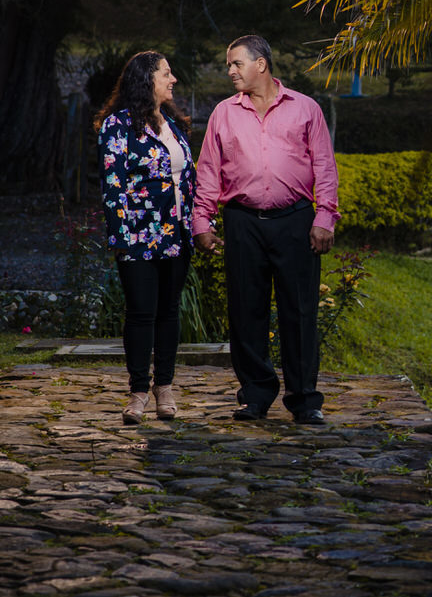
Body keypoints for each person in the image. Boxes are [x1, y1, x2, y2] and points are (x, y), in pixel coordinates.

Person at [192, 35, 339, 424]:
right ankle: (255, 396)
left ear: (261, 65)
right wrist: (202, 221)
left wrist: (325, 218)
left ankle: (305, 400)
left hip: (295, 221)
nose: (230, 71)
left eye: (236, 63)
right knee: (246, 310)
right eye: (229, 64)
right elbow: (208, 171)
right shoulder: (224, 113)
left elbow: (325, 167)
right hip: (242, 221)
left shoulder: (305, 109)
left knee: (300, 311)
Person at [95, 50, 195, 424]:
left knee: (169, 311)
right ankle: (138, 392)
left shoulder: (174, 125)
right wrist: (121, 236)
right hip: (137, 236)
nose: (173, 80)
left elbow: (189, 180)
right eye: (166, 73)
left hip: (177, 234)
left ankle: (164, 388)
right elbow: (113, 183)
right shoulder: (117, 125)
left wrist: (201, 224)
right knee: (141, 312)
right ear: (146, 79)